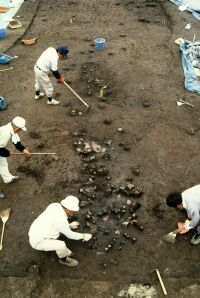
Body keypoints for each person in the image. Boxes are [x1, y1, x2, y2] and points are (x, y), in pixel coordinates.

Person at [28, 195, 92, 267]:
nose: (73, 213)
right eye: (73, 212)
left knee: (58, 230)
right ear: (69, 209)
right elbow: (70, 235)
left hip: (35, 231)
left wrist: (69, 226)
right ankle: (63, 260)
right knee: (61, 245)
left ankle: (61, 251)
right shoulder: (61, 221)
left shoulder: (55, 205)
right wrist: (83, 236)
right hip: (38, 242)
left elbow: (53, 222)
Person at [0, 117, 30, 197]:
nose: (20, 131)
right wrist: (7, 153)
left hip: (1, 149)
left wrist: (23, 150)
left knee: (3, 164)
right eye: (20, 129)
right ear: (16, 128)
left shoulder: (10, 129)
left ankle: (8, 179)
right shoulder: (5, 133)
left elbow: (16, 142)